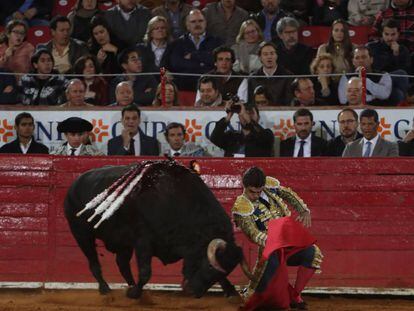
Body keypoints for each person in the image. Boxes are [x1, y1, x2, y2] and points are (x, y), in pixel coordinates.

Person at [232, 166, 322, 310]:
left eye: (258, 191)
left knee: (313, 253)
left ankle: (294, 295)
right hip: (270, 249)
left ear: (263, 186)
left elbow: (288, 194)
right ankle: (253, 293)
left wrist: (303, 209)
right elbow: (253, 234)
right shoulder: (241, 205)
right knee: (264, 289)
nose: (255, 195)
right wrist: (275, 242)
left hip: (288, 243)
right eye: (251, 192)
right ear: (245, 186)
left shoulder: (270, 186)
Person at [168, 9, 222, 90]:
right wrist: (202, 63)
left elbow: (215, 61)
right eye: (193, 22)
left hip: (211, 86)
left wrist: (193, 56)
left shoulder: (217, 42)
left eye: (200, 21)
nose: (197, 24)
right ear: (187, 25)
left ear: (205, 23)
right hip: (183, 86)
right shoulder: (177, 44)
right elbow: (177, 64)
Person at [210, 102, 274, 157]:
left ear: (258, 117)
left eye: (251, 113)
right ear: (239, 117)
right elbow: (214, 138)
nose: (246, 116)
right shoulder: (232, 137)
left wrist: (246, 117)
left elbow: (261, 135)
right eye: (243, 113)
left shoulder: (267, 134)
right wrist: (229, 115)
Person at [248, 41, 293, 106]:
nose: (269, 57)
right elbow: (250, 102)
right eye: (265, 54)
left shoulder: (288, 76)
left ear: (276, 56)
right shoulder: (253, 78)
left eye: (272, 53)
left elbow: (289, 101)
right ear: (260, 57)